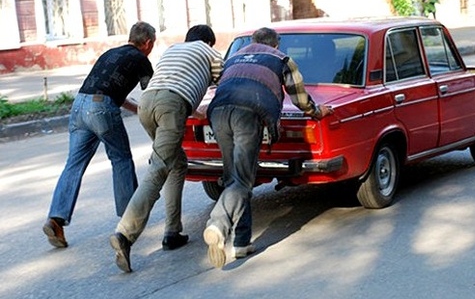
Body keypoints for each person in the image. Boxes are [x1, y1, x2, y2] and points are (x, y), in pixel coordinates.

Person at [202, 27, 333, 269]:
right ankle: (218, 224)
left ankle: (241, 242)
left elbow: (220, 82)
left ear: (252, 42)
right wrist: (317, 111)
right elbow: (299, 97)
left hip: (218, 111)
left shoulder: (234, 57)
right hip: (248, 112)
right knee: (242, 180)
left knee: (236, 177)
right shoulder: (280, 58)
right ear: (276, 44)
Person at [110, 24, 223, 273]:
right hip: (170, 106)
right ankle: (125, 233)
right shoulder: (210, 52)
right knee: (159, 169)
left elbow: (172, 83)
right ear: (209, 42)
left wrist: (193, 107)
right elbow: (223, 84)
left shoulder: (173, 50)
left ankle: (173, 232)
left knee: (176, 163)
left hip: (147, 105)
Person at [42, 21, 156, 248]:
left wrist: (137, 110)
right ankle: (129, 219)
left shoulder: (111, 53)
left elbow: (110, 91)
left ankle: (56, 219)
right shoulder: (141, 59)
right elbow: (152, 93)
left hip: (80, 105)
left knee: (73, 164)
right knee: (121, 159)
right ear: (148, 43)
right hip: (101, 107)